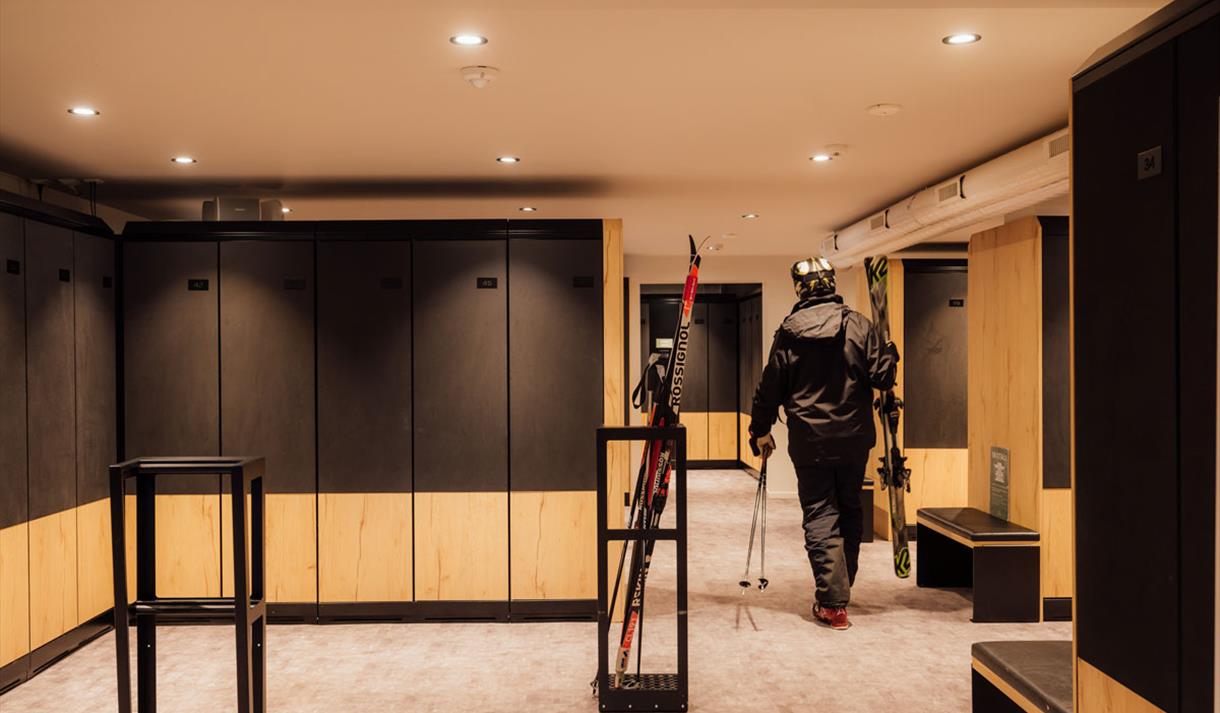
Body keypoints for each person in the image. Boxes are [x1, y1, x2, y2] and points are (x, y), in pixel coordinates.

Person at [749, 256, 899, 631]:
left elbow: (770, 388)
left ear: (800, 290)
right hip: (854, 439)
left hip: (810, 441)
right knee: (850, 510)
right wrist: (890, 351)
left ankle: (833, 602)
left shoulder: (789, 333)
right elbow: (883, 378)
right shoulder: (859, 326)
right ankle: (839, 591)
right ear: (832, 284)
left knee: (820, 513)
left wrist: (759, 430)